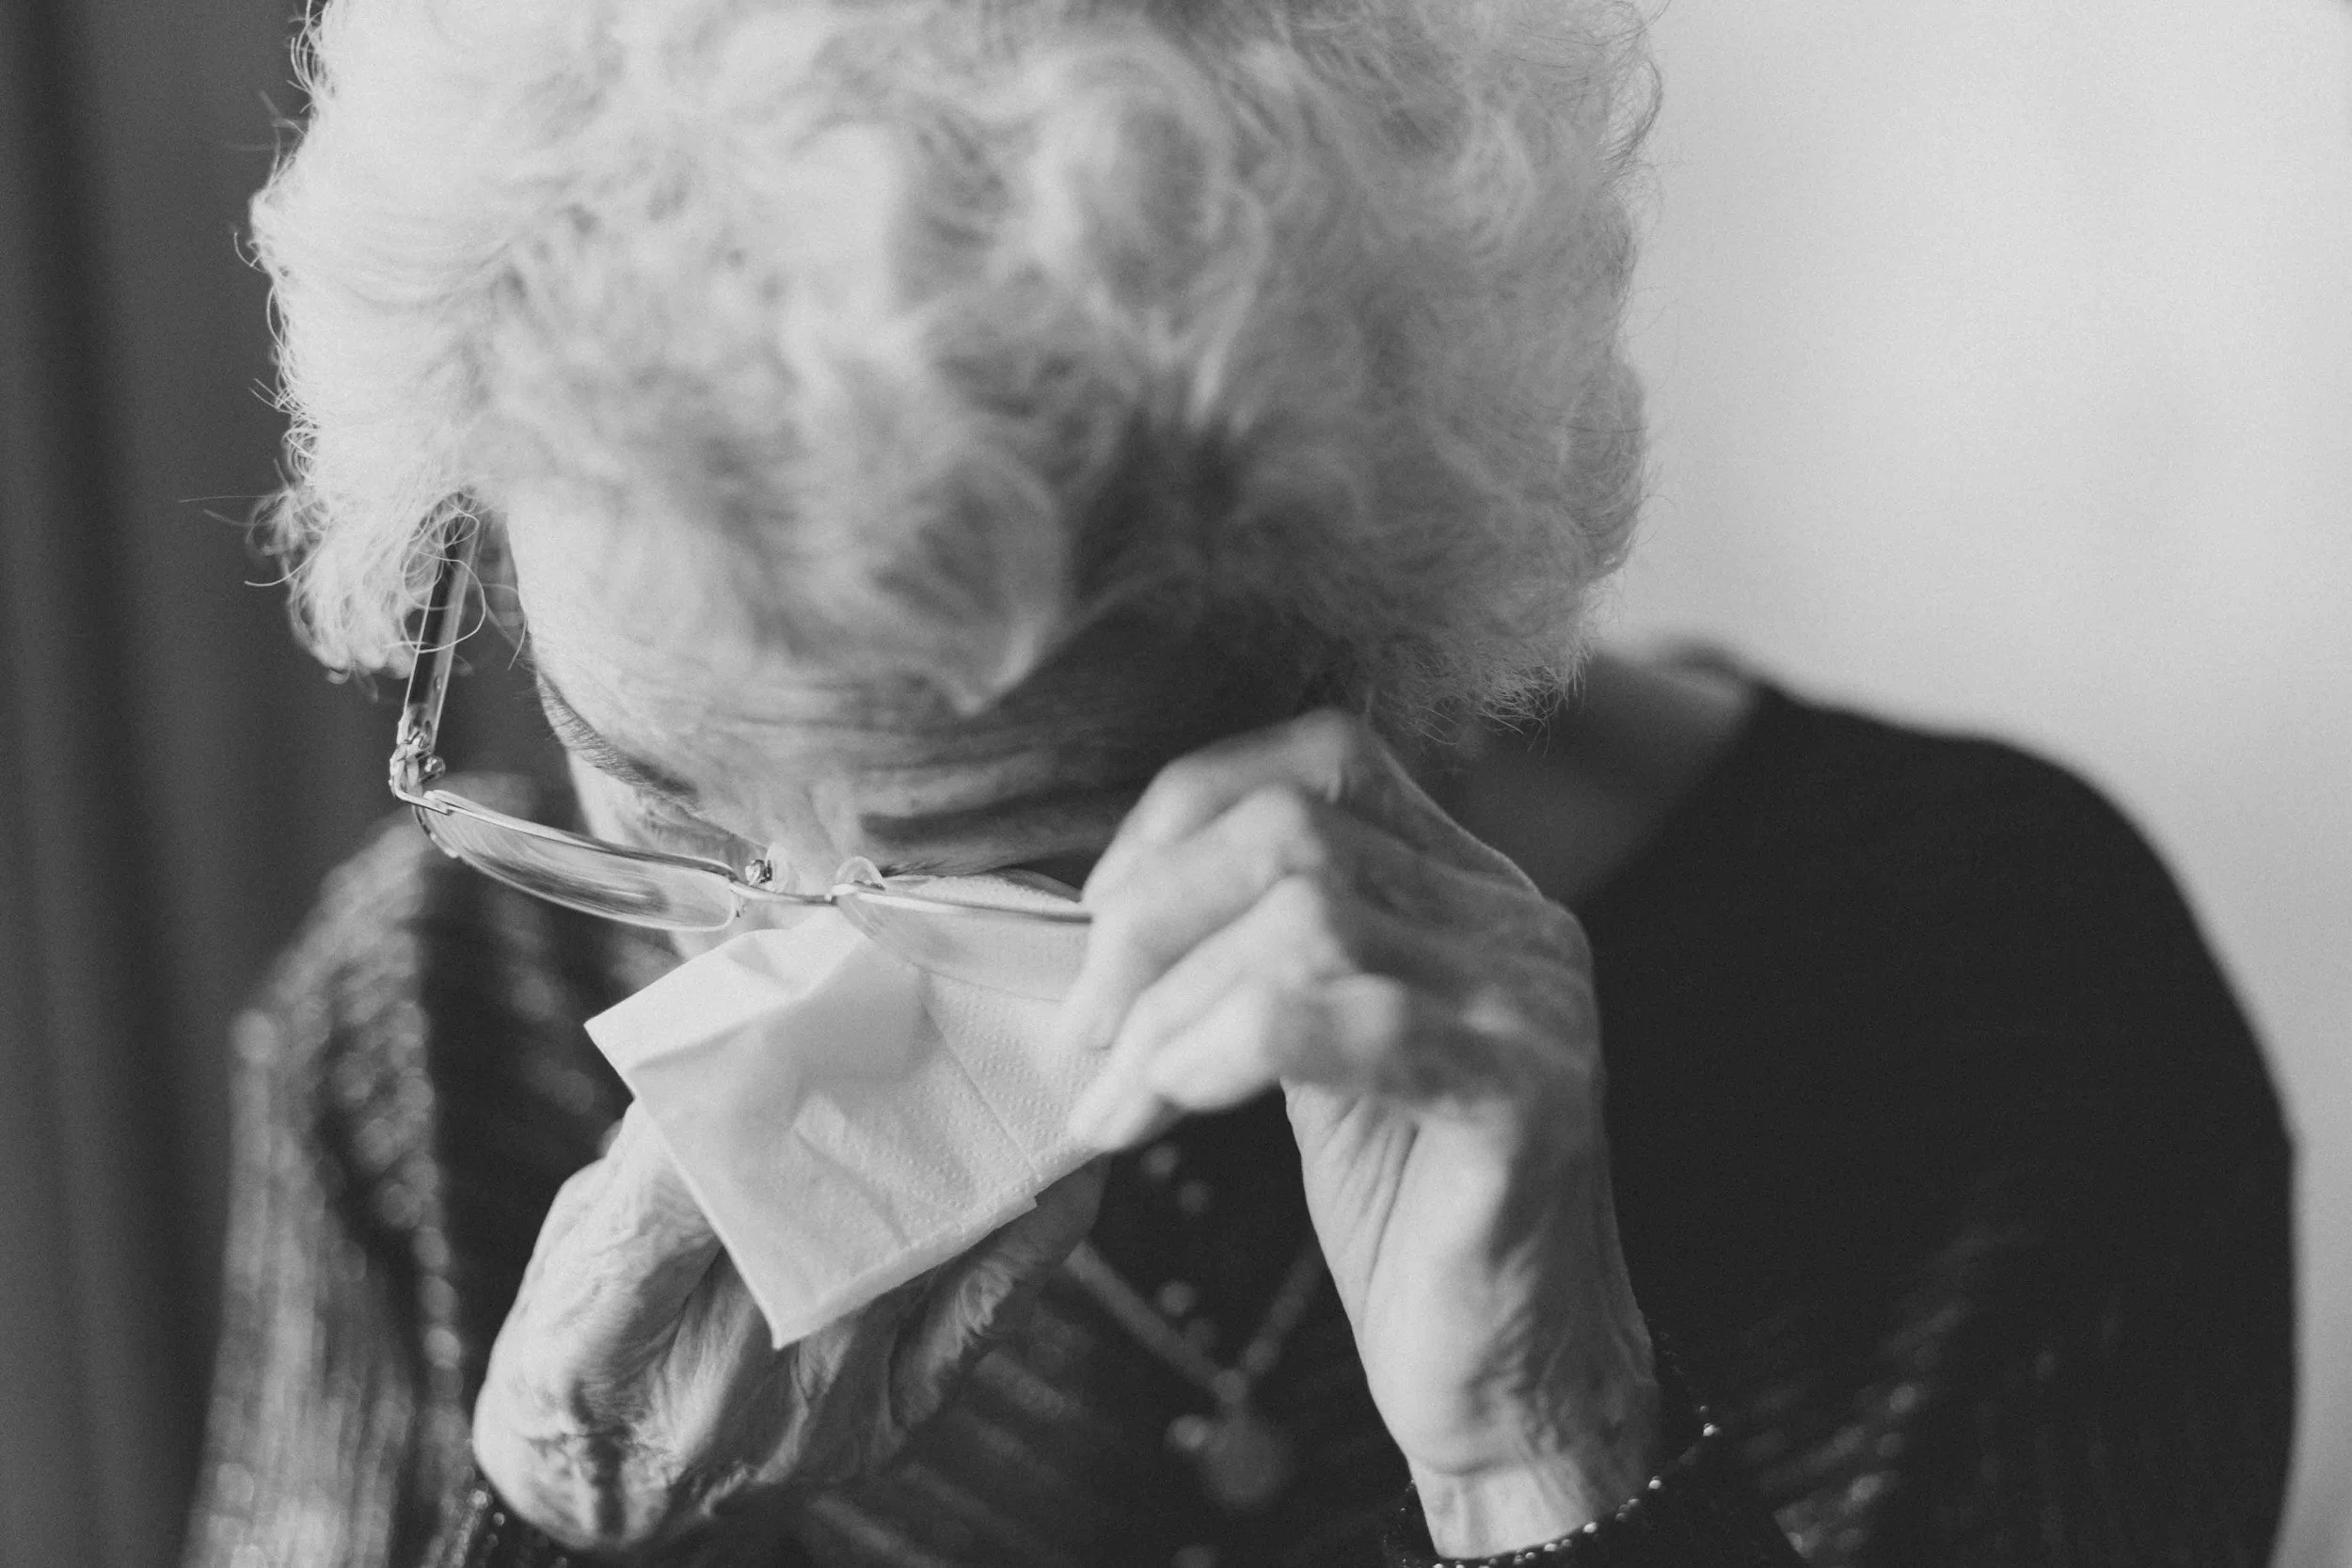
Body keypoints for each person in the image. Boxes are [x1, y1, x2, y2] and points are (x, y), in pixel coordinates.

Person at [183, 1, 2294, 1565]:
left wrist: (1542, 1447)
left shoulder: (2003, 1004)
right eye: (649, 794)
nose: (782, 969)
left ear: (1391, 631)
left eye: (994, 866)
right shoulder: (426, 1038)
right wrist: (547, 1512)